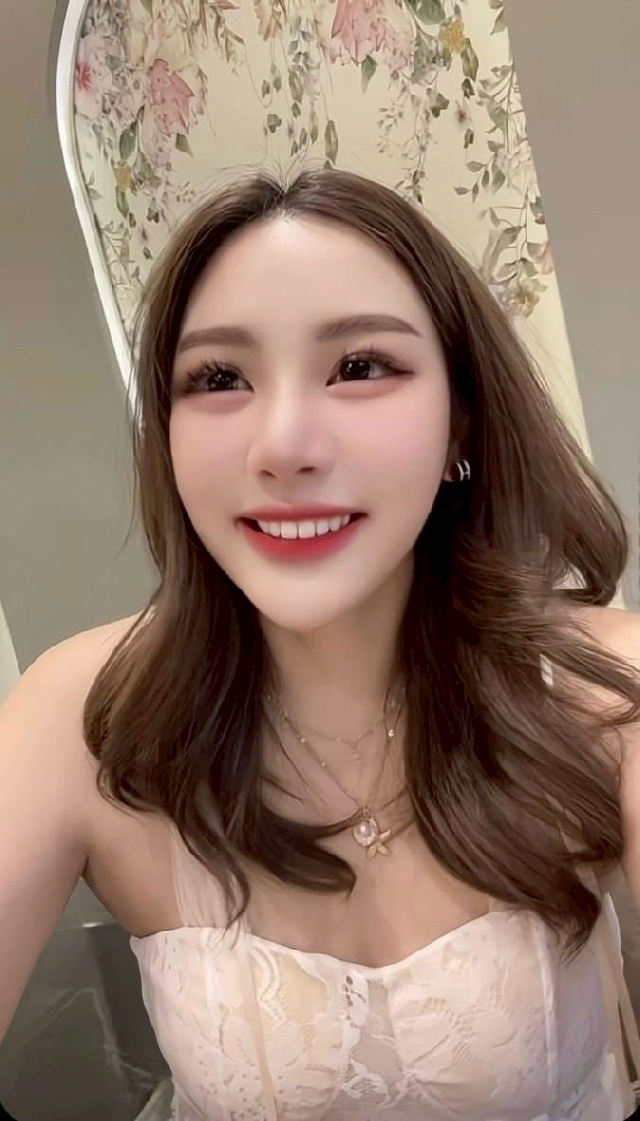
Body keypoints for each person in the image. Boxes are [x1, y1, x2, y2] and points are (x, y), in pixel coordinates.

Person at [2, 166, 640, 1121]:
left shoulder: (605, 689)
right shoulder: (81, 718)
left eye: (361, 367)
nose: (283, 446)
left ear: (461, 418)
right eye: (219, 379)